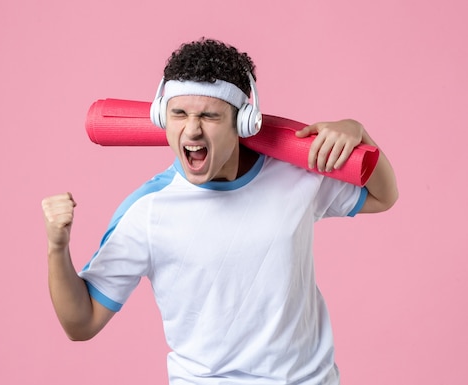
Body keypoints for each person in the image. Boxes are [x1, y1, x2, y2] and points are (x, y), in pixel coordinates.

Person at [42, 38, 398, 385]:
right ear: (161, 117)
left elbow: (384, 197)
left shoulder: (297, 174)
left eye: (210, 115)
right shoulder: (147, 211)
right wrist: (57, 249)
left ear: (244, 122)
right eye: (178, 113)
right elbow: (81, 322)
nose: (192, 129)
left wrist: (360, 134)